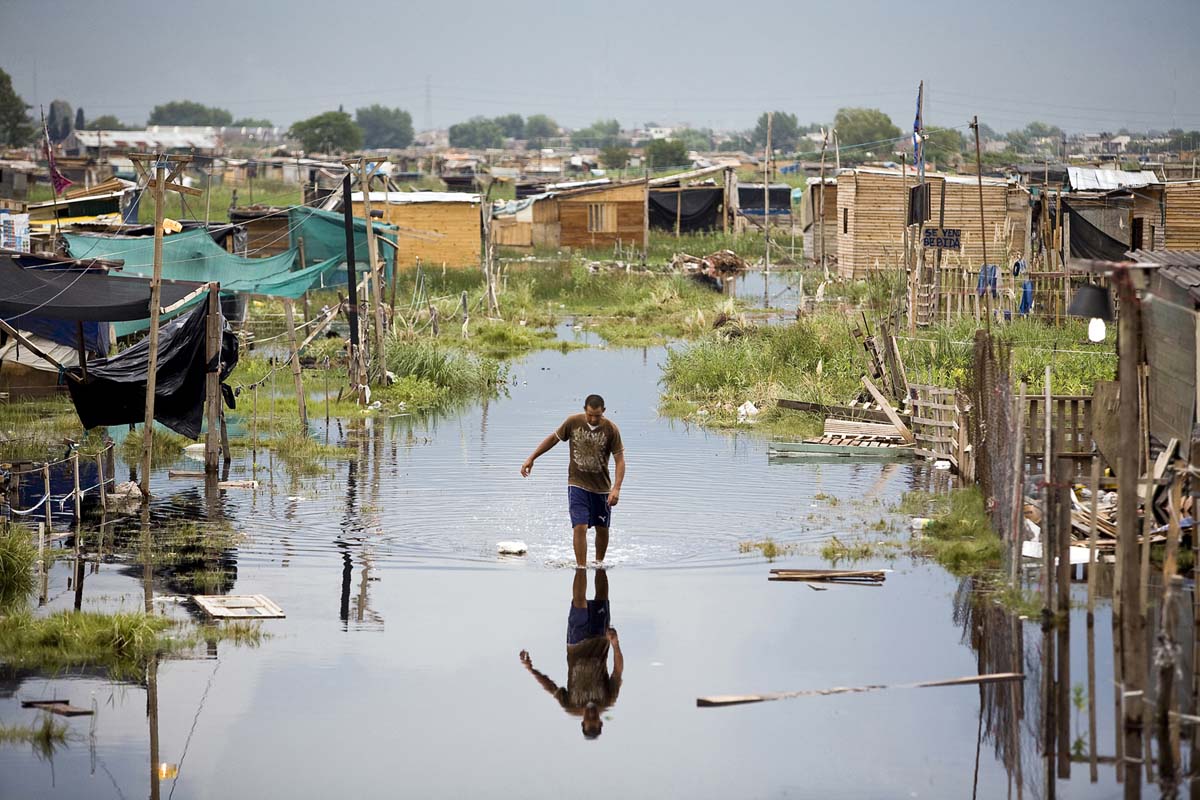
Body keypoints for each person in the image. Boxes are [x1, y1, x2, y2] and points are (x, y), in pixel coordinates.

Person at [521, 394, 625, 567]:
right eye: (590, 414)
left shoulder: (611, 429)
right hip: (577, 484)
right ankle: (581, 567)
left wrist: (616, 488)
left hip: (602, 488)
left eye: (597, 415)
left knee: (602, 528)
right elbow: (553, 439)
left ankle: (599, 563)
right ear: (585, 410)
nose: (593, 419)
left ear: (604, 412)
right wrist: (532, 458)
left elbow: (620, 460)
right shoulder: (573, 422)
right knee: (580, 526)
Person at [519, 568, 623, 738]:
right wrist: (615, 644)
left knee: (579, 601)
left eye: (588, 719)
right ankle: (599, 563)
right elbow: (618, 671)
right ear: (600, 721)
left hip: (576, 642)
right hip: (600, 639)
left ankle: (580, 566)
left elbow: (551, 687)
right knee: (602, 594)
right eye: (594, 718)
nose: (591, 715)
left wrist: (531, 669)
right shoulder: (608, 700)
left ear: (582, 722)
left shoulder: (571, 707)